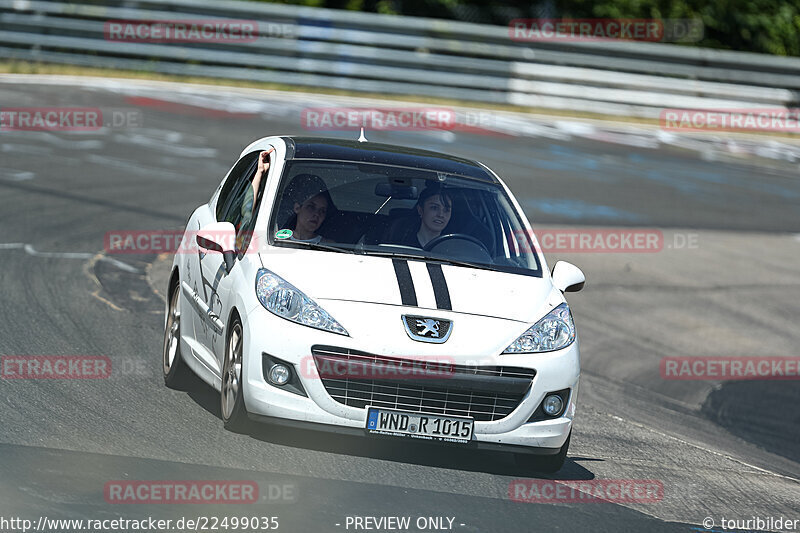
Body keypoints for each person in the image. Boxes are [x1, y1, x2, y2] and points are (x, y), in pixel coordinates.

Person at [392, 184, 453, 248]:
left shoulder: (453, 249)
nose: (441, 215)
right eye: (434, 208)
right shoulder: (401, 243)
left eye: (446, 210)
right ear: (420, 210)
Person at [280, 173, 333, 243]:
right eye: (311, 207)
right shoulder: (278, 239)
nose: (317, 214)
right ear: (297, 208)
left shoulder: (328, 246)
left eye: (322, 211)